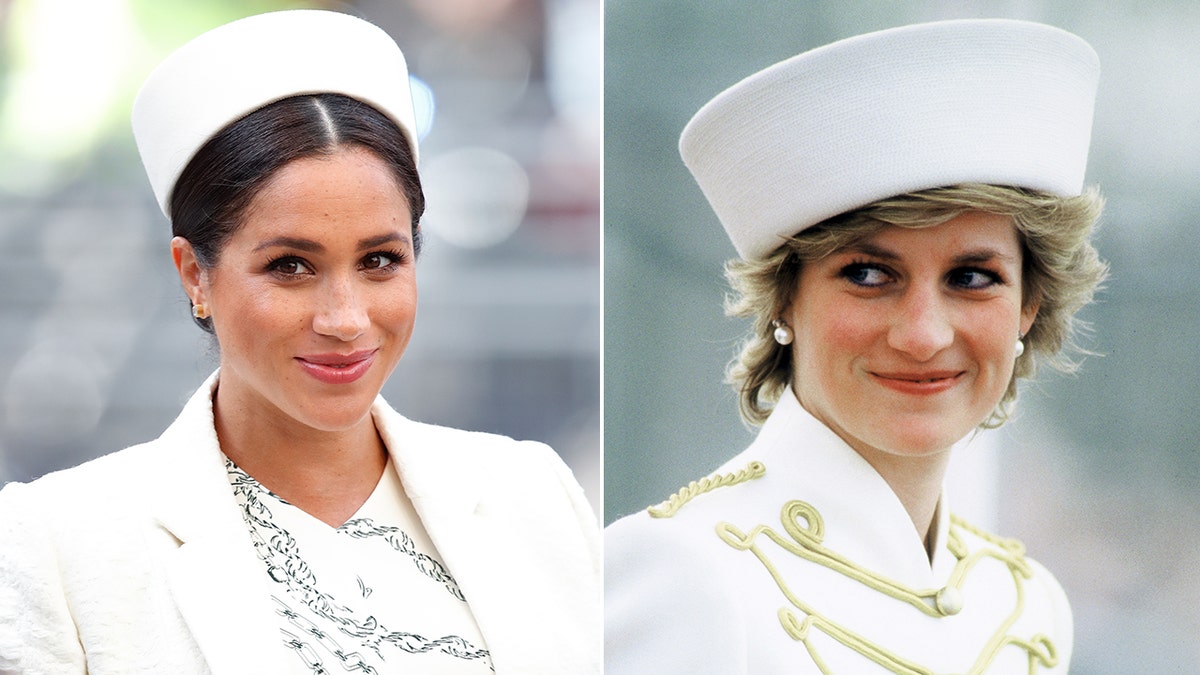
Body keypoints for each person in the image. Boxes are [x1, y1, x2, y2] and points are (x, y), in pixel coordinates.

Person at [0, 10, 600, 674]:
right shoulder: (59, 542)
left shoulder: (533, 494)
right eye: (290, 265)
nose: (345, 318)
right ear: (195, 273)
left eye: (379, 260)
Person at [605, 19, 1105, 674]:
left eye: (973, 278)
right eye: (869, 275)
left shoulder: (1026, 605)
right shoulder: (687, 570)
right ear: (784, 297)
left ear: (1028, 306)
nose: (924, 334)